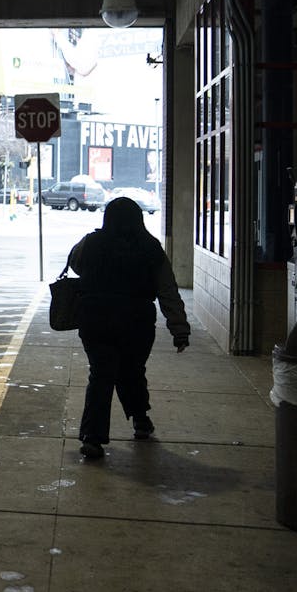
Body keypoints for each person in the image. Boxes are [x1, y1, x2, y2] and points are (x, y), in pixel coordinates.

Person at [66, 196, 190, 460]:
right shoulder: (150, 247)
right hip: (136, 321)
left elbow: (75, 264)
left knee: (101, 375)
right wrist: (179, 328)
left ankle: (92, 437)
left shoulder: (92, 241)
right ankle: (141, 420)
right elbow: (167, 290)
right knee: (132, 371)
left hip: (95, 318)